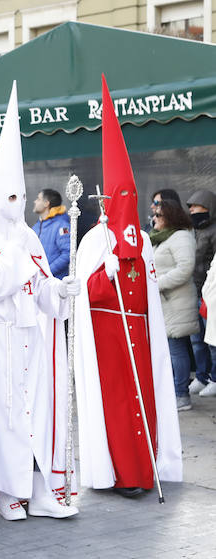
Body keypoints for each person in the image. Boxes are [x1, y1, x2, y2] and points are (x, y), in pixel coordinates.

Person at [0, 82, 79, 521]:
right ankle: (9, 492)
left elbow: (42, 285)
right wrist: (16, 257)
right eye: (10, 197)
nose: (18, 204)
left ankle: (42, 488)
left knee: (38, 415)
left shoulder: (29, 235)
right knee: (7, 417)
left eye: (21, 196)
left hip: (32, 337)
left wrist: (60, 291)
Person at [74, 76, 182, 498]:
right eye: (122, 196)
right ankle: (120, 473)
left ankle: (144, 467)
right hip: (108, 335)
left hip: (138, 330)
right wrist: (107, 271)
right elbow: (88, 292)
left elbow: (149, 286)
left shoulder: (141, 239)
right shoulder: (93, 241)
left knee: (144, 401)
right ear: (107, 199)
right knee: (118, 405)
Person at [150, 198, 198, 411]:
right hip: (163, 303)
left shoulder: (180, 237)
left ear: (170, 216)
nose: (154, 218)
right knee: (168, 349)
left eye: (159, 215)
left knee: (177, 348)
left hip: (176, 302)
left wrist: (156, 284)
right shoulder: (160, 238)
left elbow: (185, 268)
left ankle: (181, 395)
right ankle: (171, 392)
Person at [186, 189, 216, 396]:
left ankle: (214, 378)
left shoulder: (213, 231)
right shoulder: (194, 230)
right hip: (195, 291)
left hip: (210, 293)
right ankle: (202, 375)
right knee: (197, 339)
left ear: (208, 208)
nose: (192, 211)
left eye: (196, 207)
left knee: (212, 339)